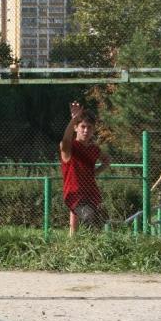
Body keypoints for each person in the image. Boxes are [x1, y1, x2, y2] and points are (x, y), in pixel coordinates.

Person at [60, 101, 110, 236]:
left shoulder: (94, 149)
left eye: (89, 127)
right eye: (82, 126)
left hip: (92, 193)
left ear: (93, 130)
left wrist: (94, 173)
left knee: (102, 219)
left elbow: (107, 161)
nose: (86, 130)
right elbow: (65, 141)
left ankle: (88, 246)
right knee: (88, 216)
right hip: (74, 195)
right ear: (76, 128)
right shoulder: (70, 148)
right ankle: (84, 246)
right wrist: (74, 119)